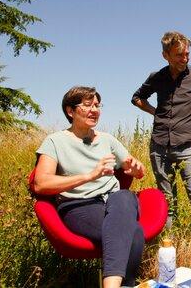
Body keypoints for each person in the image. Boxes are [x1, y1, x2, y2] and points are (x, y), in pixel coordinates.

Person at [33, 86, 146, 288]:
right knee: (134, 231)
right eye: (87, 105)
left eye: (97, 105)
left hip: (114, 202)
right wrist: (90, 175)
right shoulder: (54, 141)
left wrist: (136, 169)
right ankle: (124, 284)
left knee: (124, 196)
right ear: (70, 111)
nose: (95, 110)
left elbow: (136, 168)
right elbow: (41, 184)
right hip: (79, 206)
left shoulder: (108, 140)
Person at [131, 31, 191, 239]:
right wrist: (154, 111)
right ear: (165, 55)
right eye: (179, 55)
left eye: (187, 54)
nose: (184, 59)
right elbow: (137, 98)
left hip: (188, 148)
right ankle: (172, 247)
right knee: (168, 204)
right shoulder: (157, 77)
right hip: (159, 147)